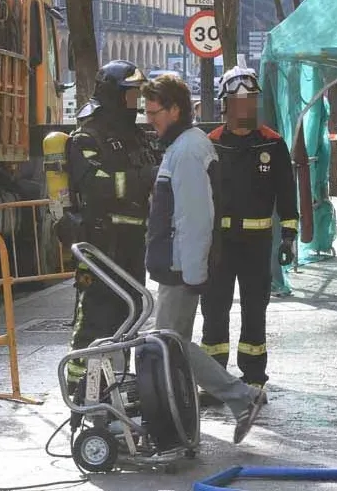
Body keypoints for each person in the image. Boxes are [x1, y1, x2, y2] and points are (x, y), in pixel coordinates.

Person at [141, 74, 266, 444]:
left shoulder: (188, 150)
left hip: (181, 267)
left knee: (167, 344)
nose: (150, 119)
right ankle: (191, 410)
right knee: (170, 343)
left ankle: (240, 397)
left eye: (154, 112)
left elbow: (196, 218)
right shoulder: (185, 147)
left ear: (175, 109)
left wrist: (193, 272)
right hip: (178, 264)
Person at [60, 60, 158, 393]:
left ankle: (116, 384)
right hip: (101, 244)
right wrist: (142, 179)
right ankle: (80, 389)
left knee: (130, 316)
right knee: (95, 318)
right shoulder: (87, 137)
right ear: (114, 95)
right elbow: (96, 187)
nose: (136, 102)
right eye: (131, 95)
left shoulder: (136, 137)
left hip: (133, 243)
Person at [200, 66, 297, 391]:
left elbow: (286, 192)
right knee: (214, 311)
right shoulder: (210, 144)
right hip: (218, 246)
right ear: (225, 105)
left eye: (250, 102)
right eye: (238, 103)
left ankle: (254, 377)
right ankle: (214, 379)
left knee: (255, 311)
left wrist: (289, 235)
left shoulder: (271, 143)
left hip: (257, 246)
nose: (245, 109)